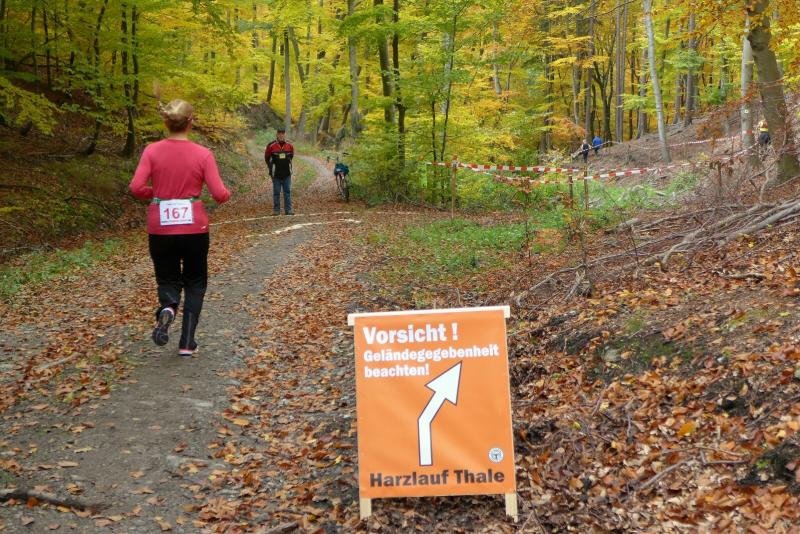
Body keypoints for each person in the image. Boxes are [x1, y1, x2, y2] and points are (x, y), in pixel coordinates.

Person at [129, 99, 231, 356]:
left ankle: (168, 308)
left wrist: (160, 193)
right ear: (190, 122)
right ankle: (186, 342)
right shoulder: (203, 154)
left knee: (167, 278)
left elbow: (136, 188)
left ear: (166, 122)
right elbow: (219, 194)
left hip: (160, 228)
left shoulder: (151, 151)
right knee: (195, 281)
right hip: (194, 228)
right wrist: (225, 194)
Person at [265, 129, 295, 215]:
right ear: (277, 135)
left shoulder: (290, 145)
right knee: (276, 192)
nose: (281, 135)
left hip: (287, 173)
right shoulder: (271, 145)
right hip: (276, 174)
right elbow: (267, 158)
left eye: (283, 134)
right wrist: (271, 168)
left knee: (287, 192)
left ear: (285, 135)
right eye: (279, 134)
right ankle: (276, 210)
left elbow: (291, 156)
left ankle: (288, 210)